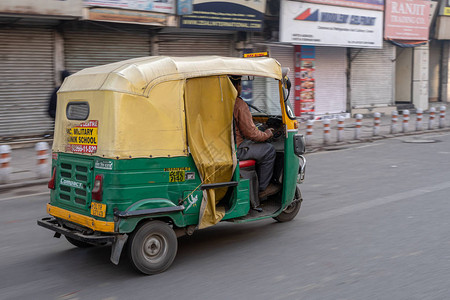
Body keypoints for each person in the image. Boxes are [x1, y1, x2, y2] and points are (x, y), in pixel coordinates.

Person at [230, 75, 280, 199]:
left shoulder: (217, 102)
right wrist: (267, 134)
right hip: (236, 149)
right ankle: (262, 188)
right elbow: (251, 134)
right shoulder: (238, 104)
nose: (241, 87)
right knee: (268, 150)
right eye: (240, 84)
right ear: (235, 86)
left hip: (222, 148)